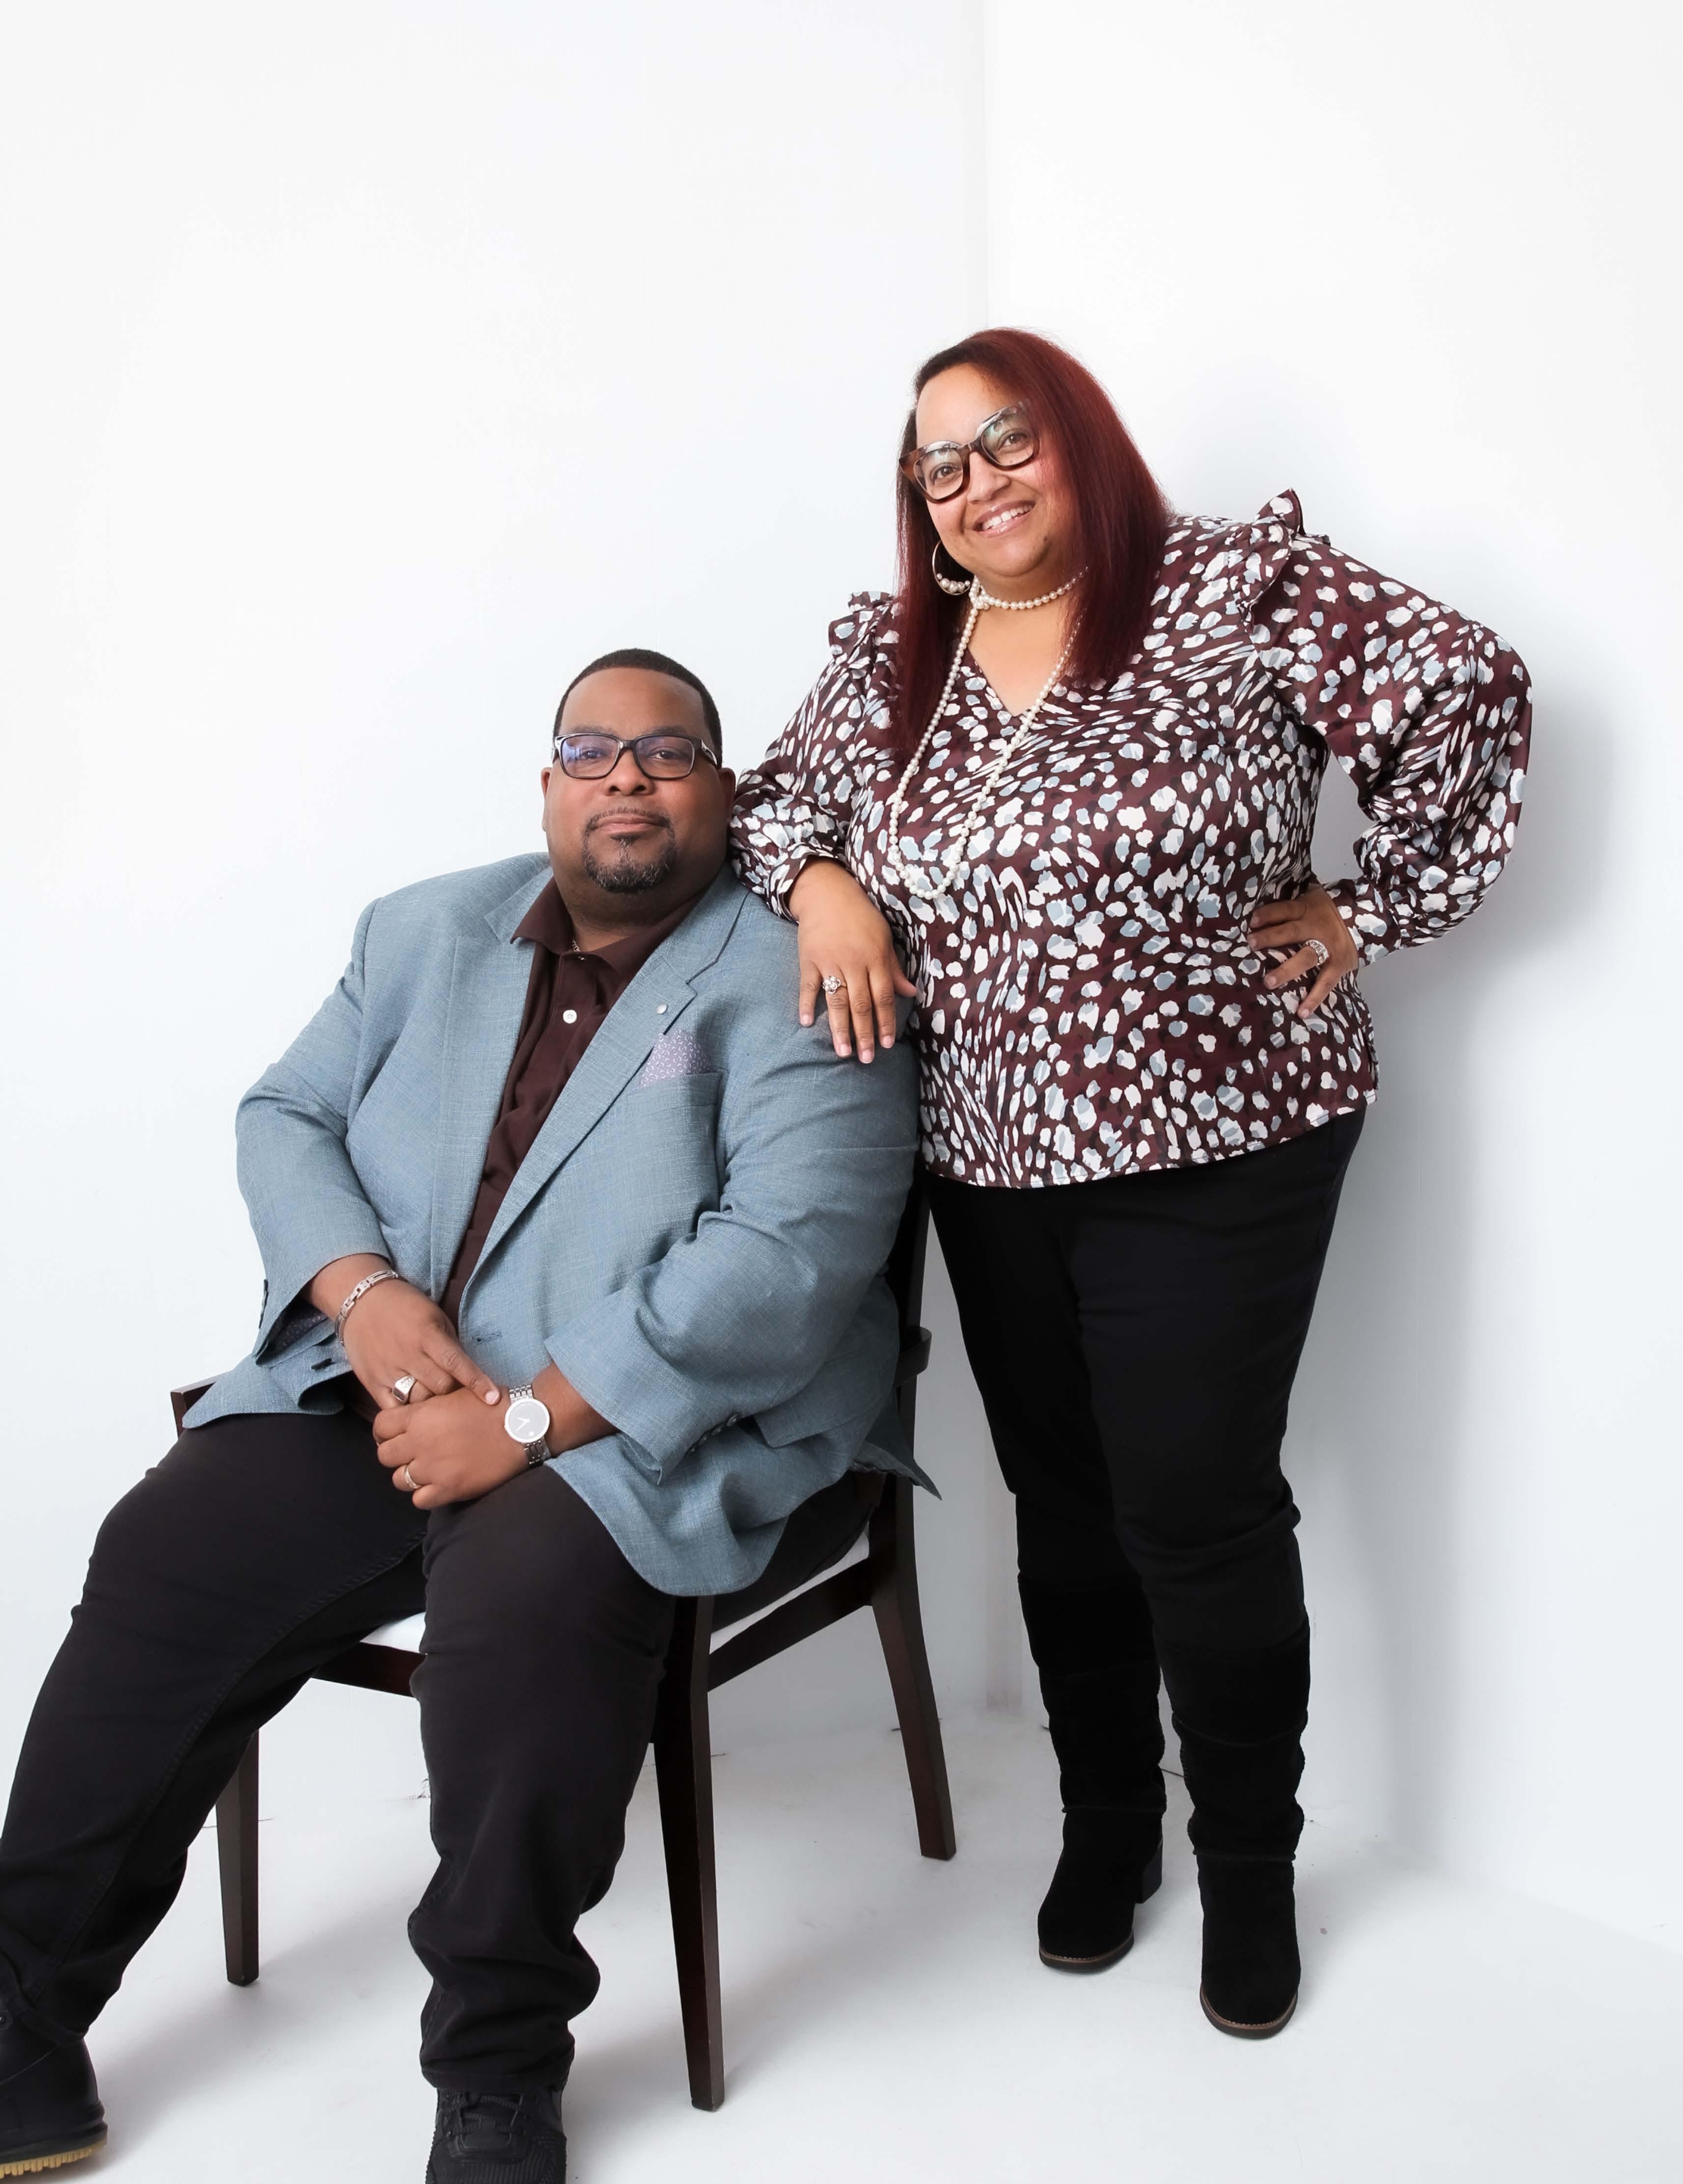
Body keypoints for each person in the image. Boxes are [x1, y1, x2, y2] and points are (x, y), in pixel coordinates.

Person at [0, 650, 919, 2182]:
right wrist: (361, 1295)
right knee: (170, 1545)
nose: (626, 776)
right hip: (401, 1383)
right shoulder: (421, 928)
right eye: (591, 748)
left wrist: (532, 1422)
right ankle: (21, 2017)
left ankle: (496, 2068)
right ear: (548, 783)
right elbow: (286, 1116)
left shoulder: (798, 969)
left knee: (523, 1599)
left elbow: (792, 1255)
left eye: (668, 751)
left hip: (654, 1419)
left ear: (724, 789)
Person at [729, 328, 1531, 2039]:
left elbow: (1467, 688)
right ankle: (1108, 1821)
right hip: (988, 1148)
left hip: (1221, 1135)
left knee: (1194, 1503)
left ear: (1078, 435)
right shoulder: (898, 654)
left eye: (1008, 438)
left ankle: (1249, 1864)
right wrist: (825, 889)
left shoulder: (1235, 586)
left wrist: (1367, 905)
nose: (978, 482)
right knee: (1063, 1500)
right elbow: (767, 802)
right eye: (940, 465)